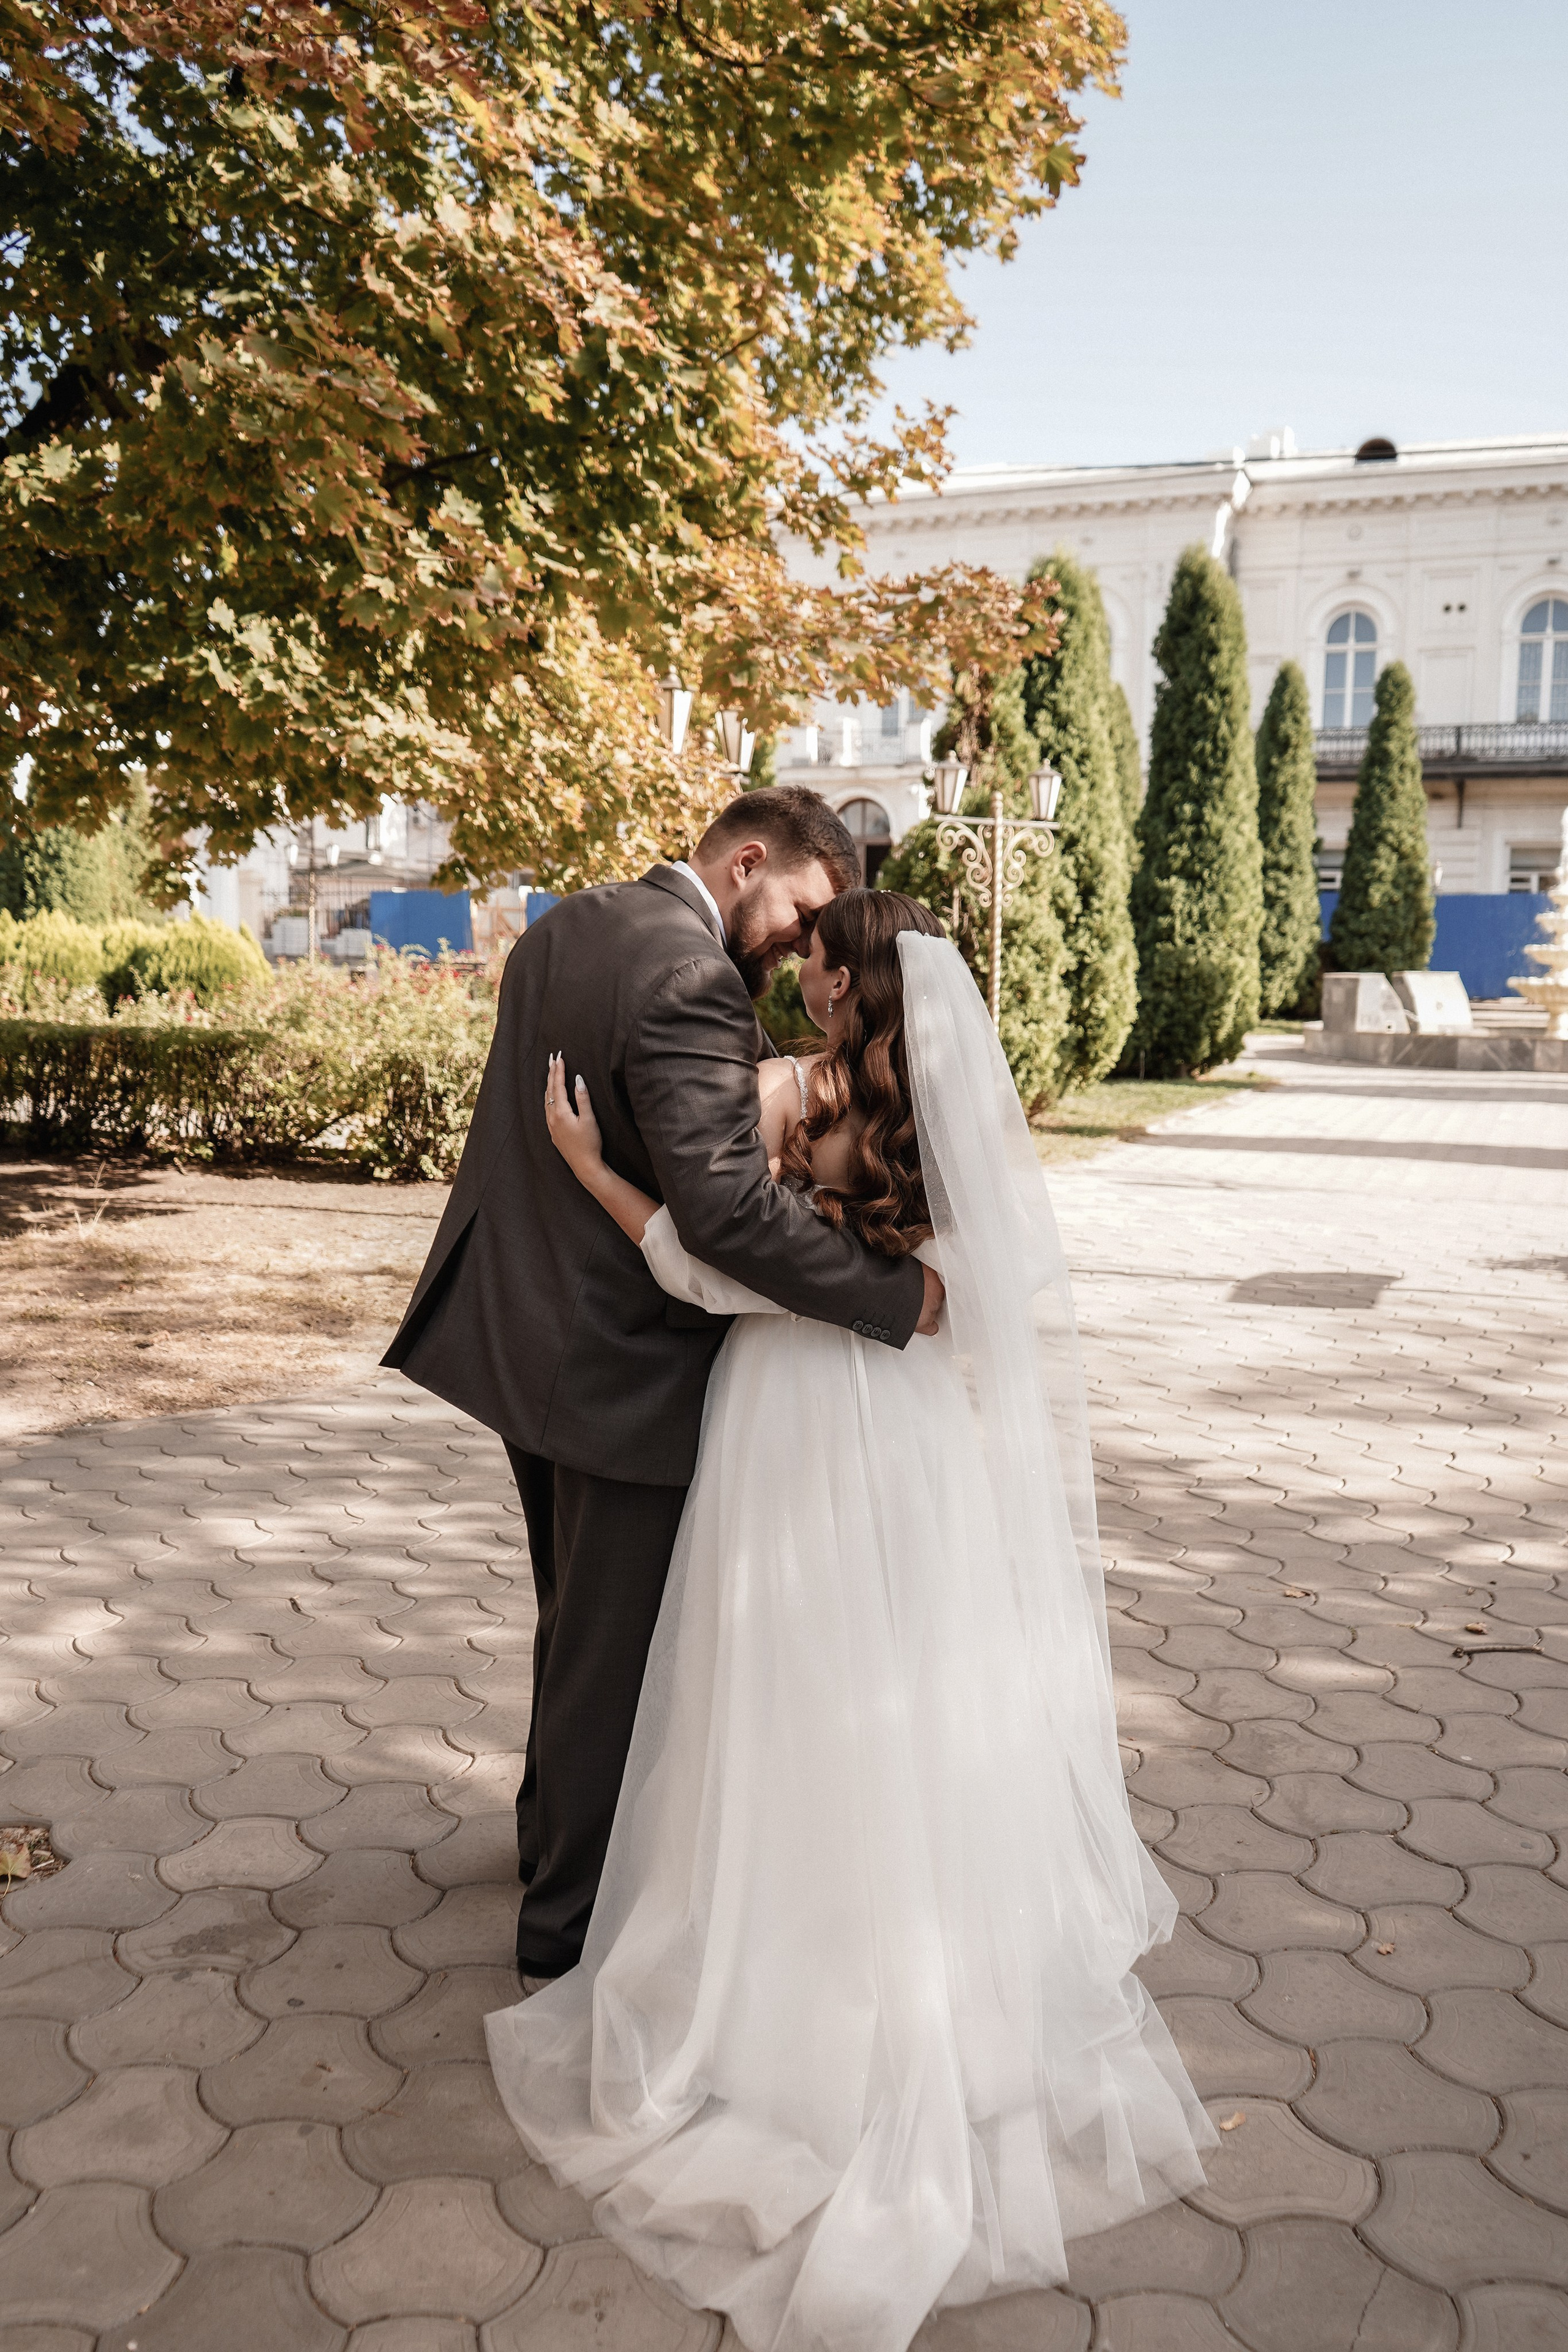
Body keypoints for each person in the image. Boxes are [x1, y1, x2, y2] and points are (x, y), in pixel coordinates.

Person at [486, 890, 1213, 2352]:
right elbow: (952, 1297)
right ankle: (941, 1990)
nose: (788, 970)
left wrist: (589, 1167)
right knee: (907, 1690)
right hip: (906, 1434)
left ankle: (773, 1983)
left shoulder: (780, 1097)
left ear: (834, 984)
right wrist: (909, 1295)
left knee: (778, 1693)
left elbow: (705, 1266)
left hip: (784, 1428)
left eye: (809, 959)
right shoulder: (938, 1118)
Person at [382, 789, 945, 1982]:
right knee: (610, 1652)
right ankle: (563, 1932)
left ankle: (547, 1842)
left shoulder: (565, 928)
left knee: (569, 1617)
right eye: (800, 909)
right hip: (618, 1362)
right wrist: (897, 1300)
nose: (803, 942)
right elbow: (728, 1214)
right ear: (747, 860)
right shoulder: (689, 975)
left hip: (517, 1334)